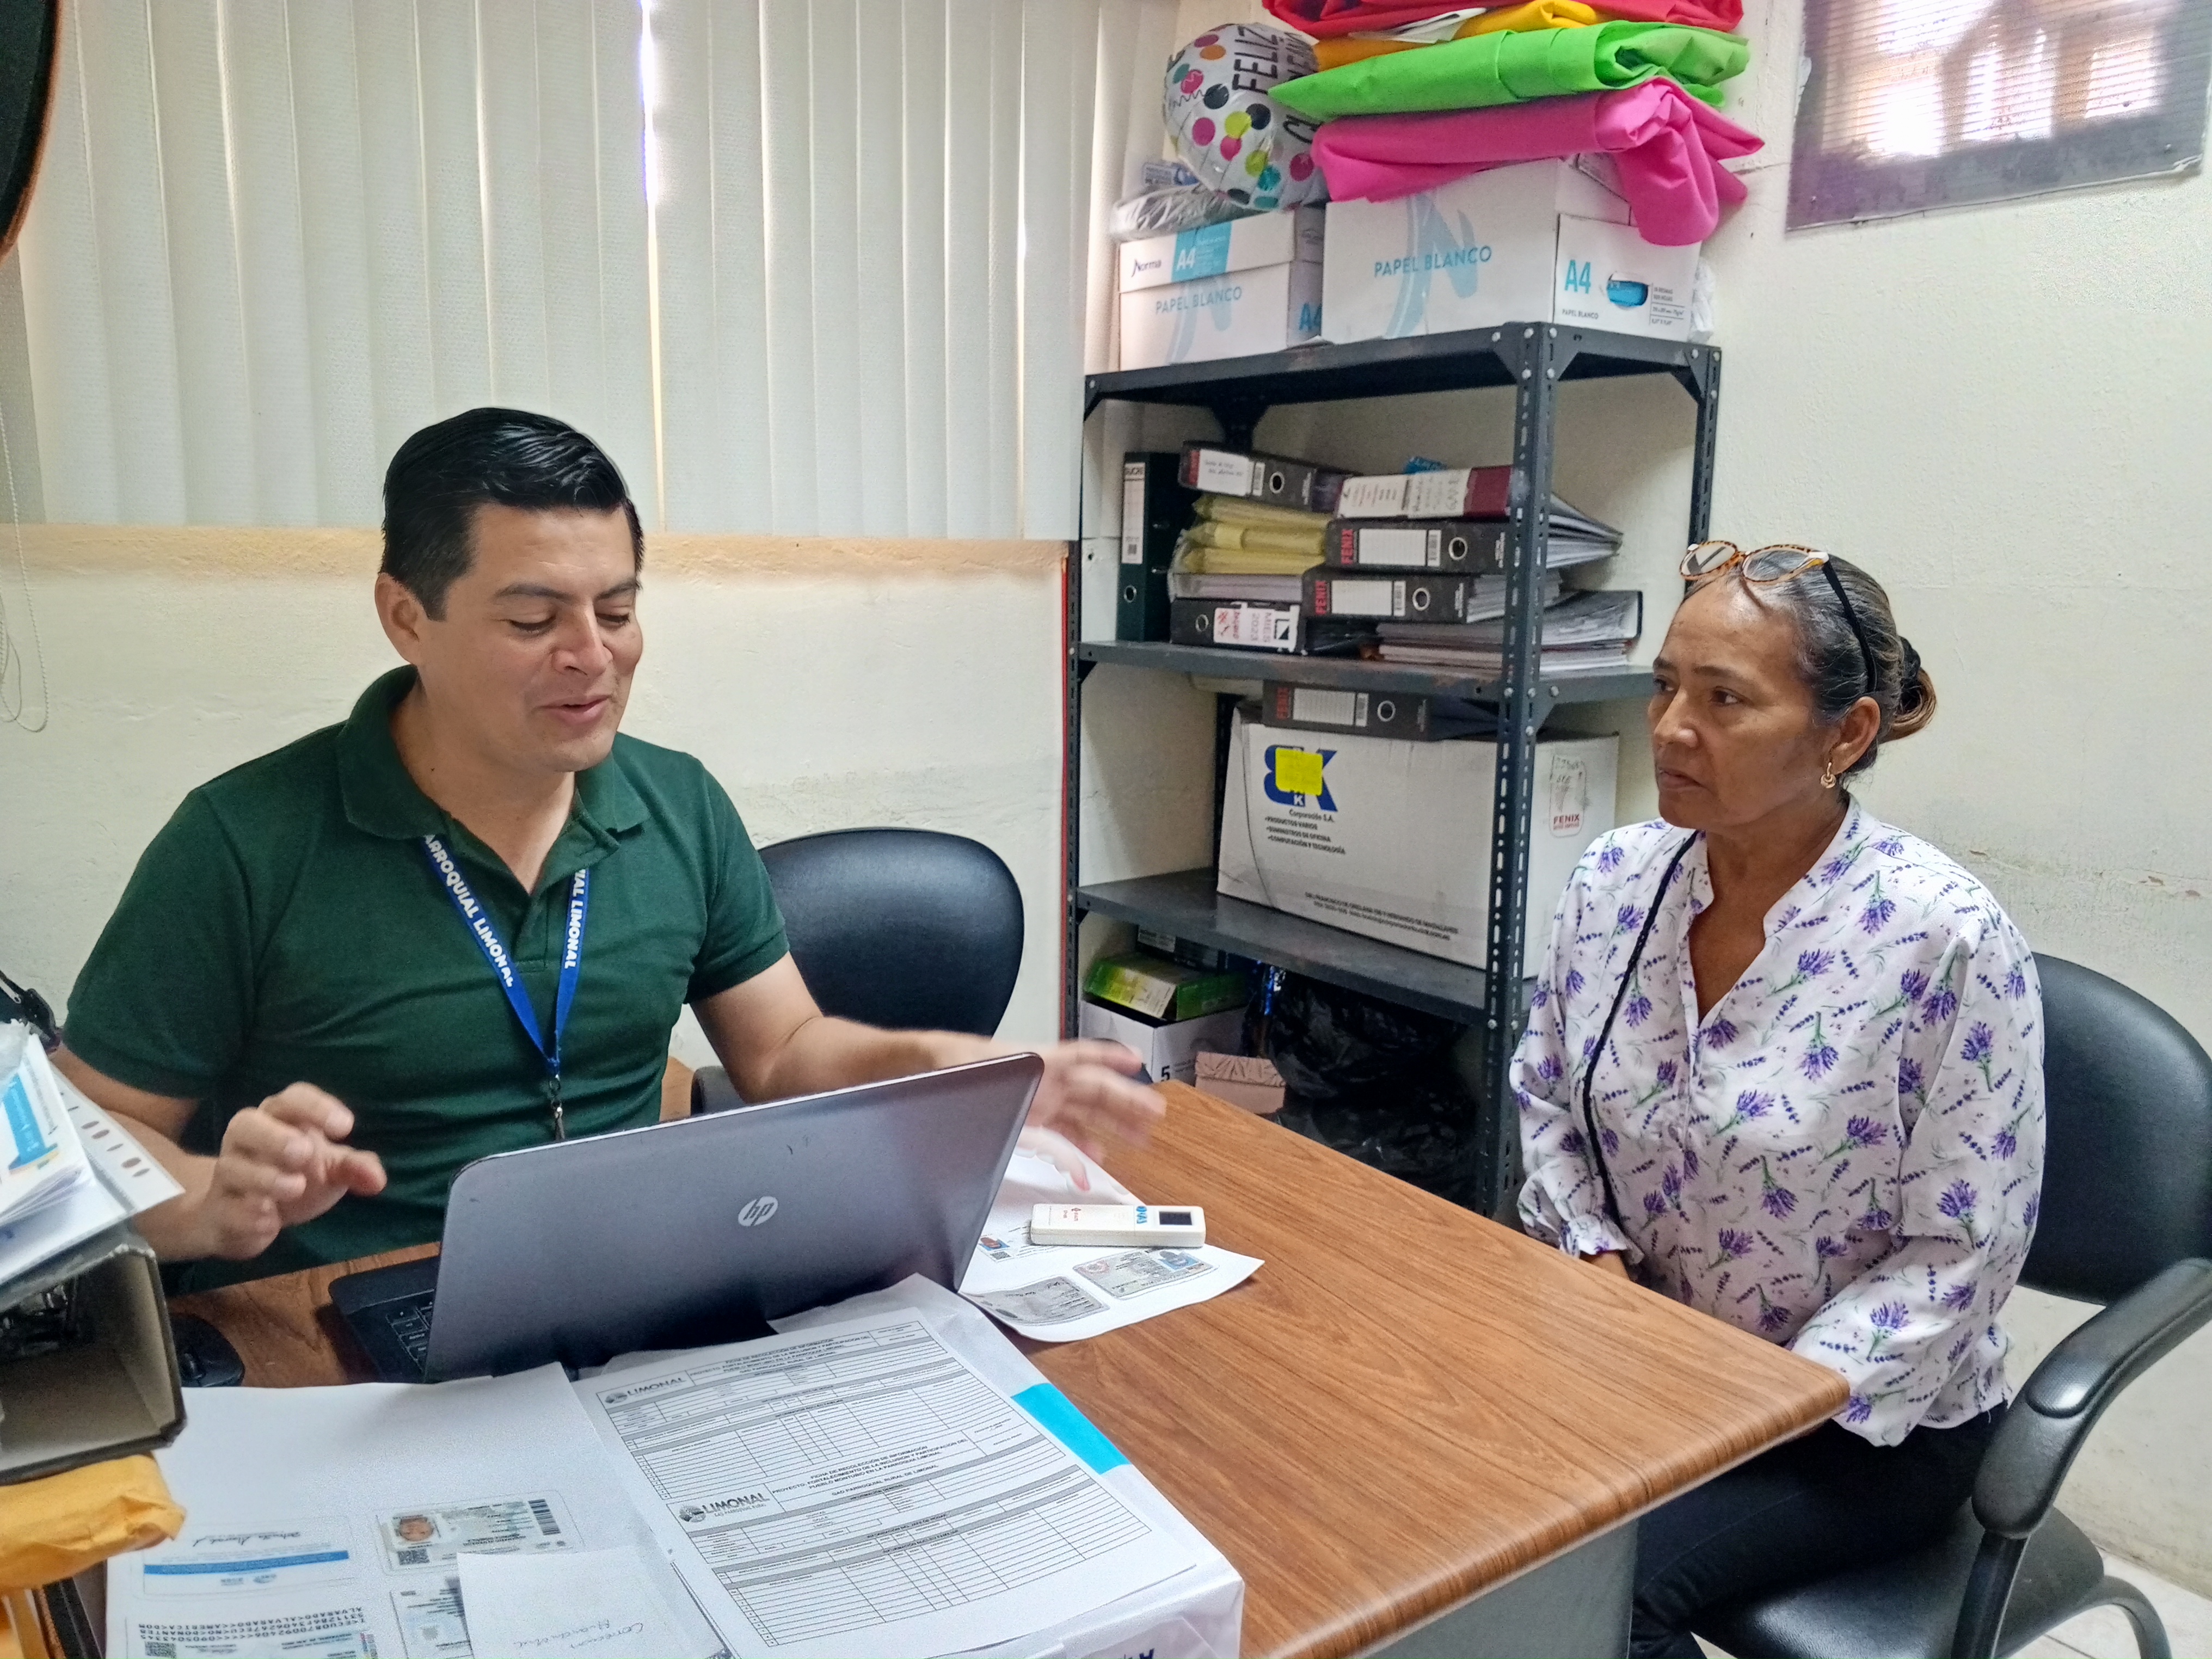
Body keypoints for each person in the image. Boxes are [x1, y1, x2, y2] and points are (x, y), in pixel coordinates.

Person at [56, 408, 1162, 1293]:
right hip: (346, 1321)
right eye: (533, 621)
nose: (592, 657)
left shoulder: (676, 804)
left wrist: (945, 1066)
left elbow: (783, 1053)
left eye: (619, 611)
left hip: (627, 1291)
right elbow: (89, 1135)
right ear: (405, 616)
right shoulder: (243, 842)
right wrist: (207, 1202)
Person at [1511, 543, 2044, 1659]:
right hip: (1645, 1362)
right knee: (1437, 1503)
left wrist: (1765, 1399)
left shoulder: (1942, 939)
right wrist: (1589, 1255)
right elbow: (1547, 1094)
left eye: (1723, 700)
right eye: (1664, 685)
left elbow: (1961, 1253)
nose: (1670, 729)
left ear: (1845, 735)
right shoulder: (1615, 881)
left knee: (1589, 1600)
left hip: (1855, 1423)